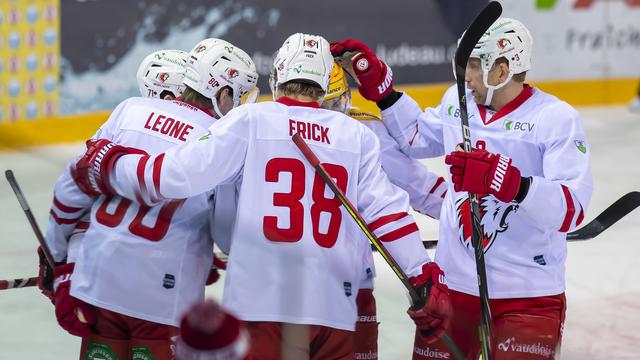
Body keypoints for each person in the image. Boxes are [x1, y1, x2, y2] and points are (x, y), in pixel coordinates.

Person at [72, 32, 453, 359]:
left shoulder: (249, 120)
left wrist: (111, 163)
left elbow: (176, 176)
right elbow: (390, 214)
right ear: (325, 84)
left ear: (278, 75)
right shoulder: (355, 135)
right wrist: (423, 276)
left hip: (262, 306)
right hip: (334, 311)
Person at [331, 17, 593, 360]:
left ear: (502, 70)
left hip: (529, 294)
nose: (465, 76)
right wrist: (383, 89)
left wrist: (512, 184)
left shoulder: (555, 119)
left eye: (473, 66)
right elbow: (415, 137)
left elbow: (571, 209)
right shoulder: (459, 103)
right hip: (453, 288)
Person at [42, 40, 258, 360]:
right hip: (164, 299)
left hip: (100, 285)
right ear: (223, 93)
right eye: (240, 94)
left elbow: (74, 187)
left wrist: (58, 262)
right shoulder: (221, 141)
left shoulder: (129, 110)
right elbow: (227, 236)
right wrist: (203, 252)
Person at [321, 62, 448, 359]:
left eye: (330, 104)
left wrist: (468, 213)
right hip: (347, 284)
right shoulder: (363, 130)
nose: (324, 113)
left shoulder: (267, 127)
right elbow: (406, 197)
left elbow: (419, 187)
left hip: (285, 287)